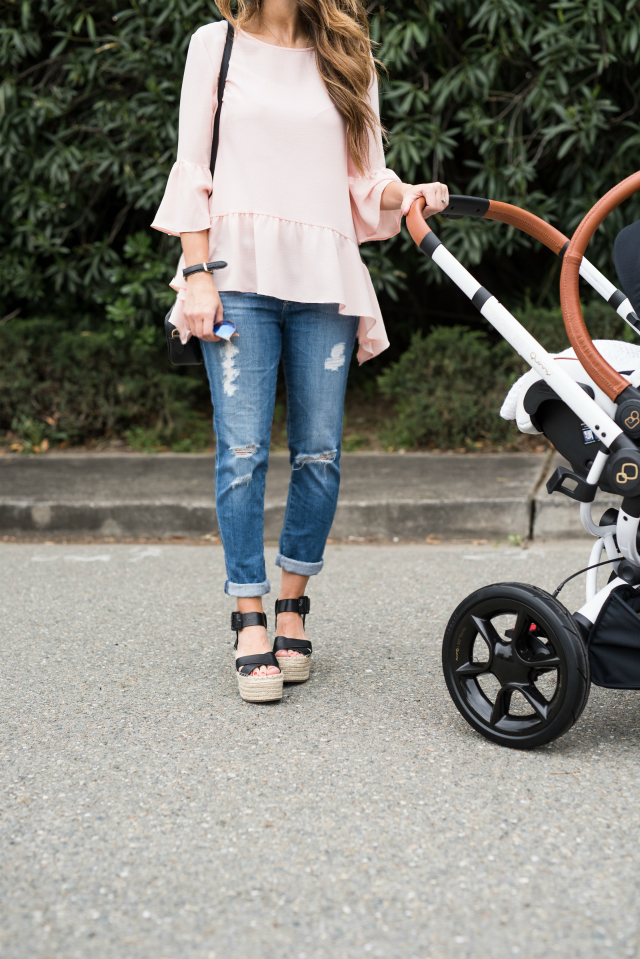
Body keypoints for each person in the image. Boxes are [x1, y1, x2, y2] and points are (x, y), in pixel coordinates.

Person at [152, 0, 449, 703]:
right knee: (243, 452)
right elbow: (192, 165)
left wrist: (409, 193)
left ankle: (293, 605)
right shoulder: (214, 46)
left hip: (324, 277)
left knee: (319, 453)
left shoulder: (349, 52)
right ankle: (248, 615)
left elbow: (365, 179)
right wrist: (194, 274)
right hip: (235, 275)